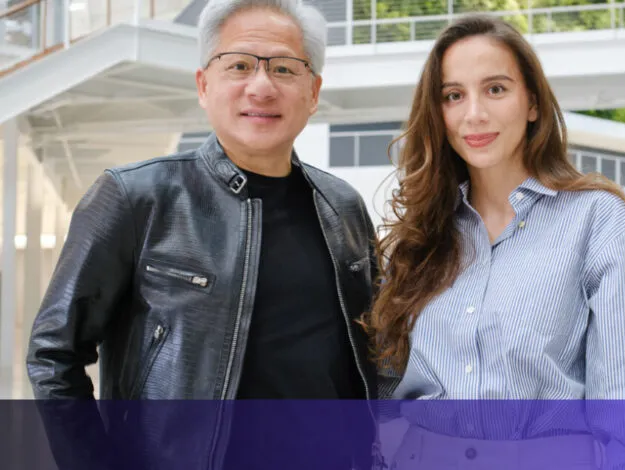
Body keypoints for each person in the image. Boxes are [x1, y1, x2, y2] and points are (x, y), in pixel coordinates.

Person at [26, 0, 378, 469]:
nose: (261, 86)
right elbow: (54, 355)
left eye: (284, 69)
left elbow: (374, 346)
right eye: (238, 65)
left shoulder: (343, 205)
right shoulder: (136, 197)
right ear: (203, 84)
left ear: (313, 92)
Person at [363, 14, 625, 470]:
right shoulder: (420, 237)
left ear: (533, 103)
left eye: (496, 89)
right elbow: (384, 390)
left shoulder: (600, 222)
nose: (474, 114)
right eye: (453, 95)